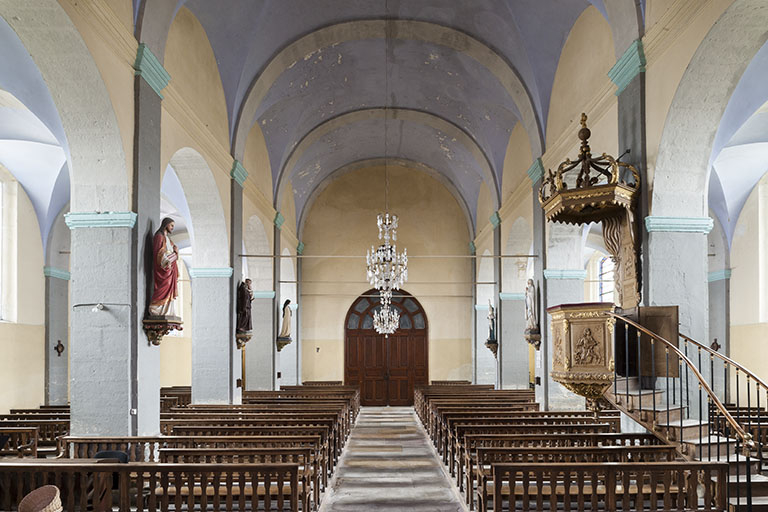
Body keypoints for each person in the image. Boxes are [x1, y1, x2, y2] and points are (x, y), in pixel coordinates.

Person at [149, 217, 179, 317]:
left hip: (170, 268)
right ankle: (156, 309)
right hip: (164, 268)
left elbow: (172, 250)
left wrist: (175, 252)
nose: (172, 228)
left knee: (169, 287)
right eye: (171, 225)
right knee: (163, 286)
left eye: (173, 226)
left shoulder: (168, 239)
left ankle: (168, 311)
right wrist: (171, 257)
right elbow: (159, 253)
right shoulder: (159, 236)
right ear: (166, 225)